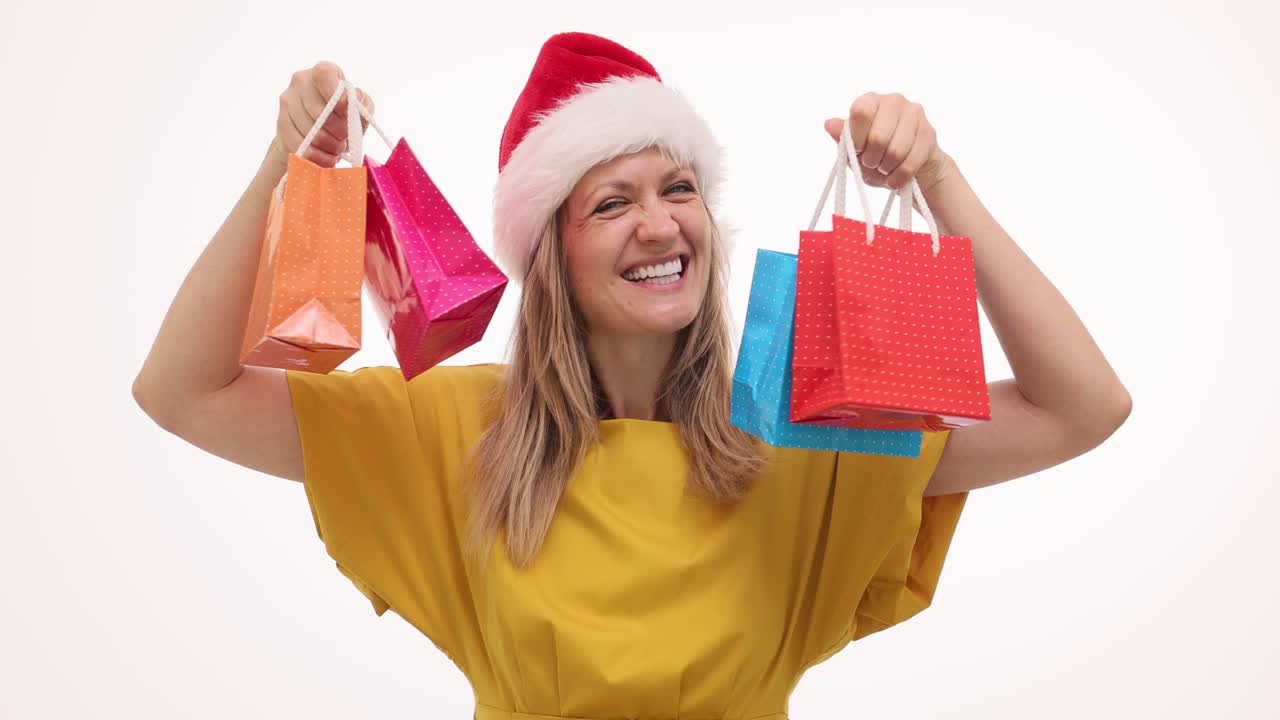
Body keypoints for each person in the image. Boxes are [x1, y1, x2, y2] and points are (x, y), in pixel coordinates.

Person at [133, 31, 1131, 720]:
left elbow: (1078, 407)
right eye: (612, 202)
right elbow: (183, 392)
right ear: (551, 254)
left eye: (679, 188)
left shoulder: (800, 423)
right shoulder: (453, 430)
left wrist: (938, 182)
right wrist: (285, 161)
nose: (660, 225)